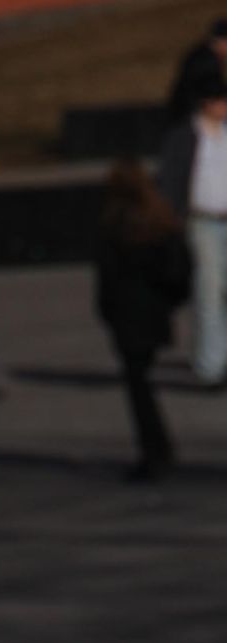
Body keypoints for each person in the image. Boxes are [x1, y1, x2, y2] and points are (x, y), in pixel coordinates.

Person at [96, 164, 192, 481]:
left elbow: (107, 278)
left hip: (128, 314)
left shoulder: (115, 225)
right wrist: (172, 298)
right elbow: (180, 267)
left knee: (138, 387)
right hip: (154, 312)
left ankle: (155, 450)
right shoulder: (160, 221)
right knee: (142, 382)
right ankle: (158, 448)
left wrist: (106, 311)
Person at [159, 77, 227, 386]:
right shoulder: (186, 136)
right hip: (202, 221)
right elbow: (171, 179)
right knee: (209, 290)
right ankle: (211, 365)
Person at [168, 17, 227, 125]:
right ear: (221, 41)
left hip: (185, 112)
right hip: (190, 115)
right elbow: (211, 92)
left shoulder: (204, 54)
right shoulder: (207, 60)